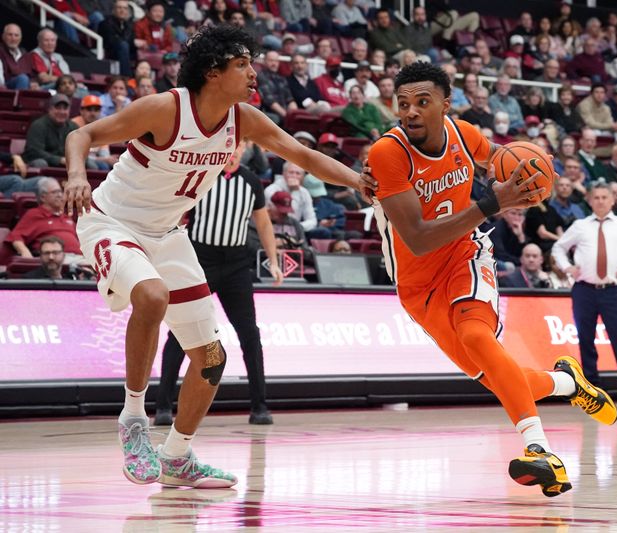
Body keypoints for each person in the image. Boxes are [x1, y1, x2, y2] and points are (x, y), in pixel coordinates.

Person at [62, 24, 366, 489]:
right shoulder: (165, 108)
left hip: (168, 234)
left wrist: (362, 184)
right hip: (111, 222)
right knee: (151, 296)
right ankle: (134, 420)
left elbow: (302, 155)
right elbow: (81, 135)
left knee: (211, 357)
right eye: (242, 64)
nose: (253, 73)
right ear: (212, 71)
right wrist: (77, 176)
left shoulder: (243, 119)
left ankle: (177, 456)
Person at [364, 61, 617, 497]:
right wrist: (490, 203)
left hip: (465, 254)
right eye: (402, 103)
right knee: (495, 376)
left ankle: (540, 451)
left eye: (422, 102)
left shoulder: (464, 134)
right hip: (416, 283)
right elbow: (420, 240)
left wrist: (534, 168)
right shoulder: (388, 154)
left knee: (478, 337)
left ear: (446, 104)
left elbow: (502, 160)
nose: (410, 112)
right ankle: (567, 383)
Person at [156, 141, 283, 427]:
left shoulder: (251, 182)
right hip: (199, 260)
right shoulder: (202, 175)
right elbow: (177, 212)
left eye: (240, 146)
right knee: (179, 333)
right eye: (231, 145)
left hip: (237, 264)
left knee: (249, 334)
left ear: (245, 149)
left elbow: (263, 223)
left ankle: (259, 406)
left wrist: (273, 261)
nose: (234, 150)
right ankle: (163, 406)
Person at [552, 182, 617, 404]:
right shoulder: (580, 225)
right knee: (585, 338)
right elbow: (558, 247)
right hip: (584, 289)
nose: (600, 201)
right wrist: (567, 267)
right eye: (595, 197)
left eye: (604, 197)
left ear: (612, 200)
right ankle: (591, 386)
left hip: (612, 290)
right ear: (589, 200)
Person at [6, 177, 82, 258]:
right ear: (43, 197)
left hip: (80, 259)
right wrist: (25, 252)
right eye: (55, 192)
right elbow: (16, 237)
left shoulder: (66, 217)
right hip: (54, 259)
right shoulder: (34, 214)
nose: (60, 195)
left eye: (60, 191)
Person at [23, 94, 78, 168]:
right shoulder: (38, 125)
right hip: (39, 161)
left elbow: (80, 150)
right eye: (58, 108)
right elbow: (35, 152)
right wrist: (59, 160)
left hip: (65, 162)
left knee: (90, 163)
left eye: (65, 108)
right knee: (41, 163)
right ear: (49, 109)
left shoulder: (73, 127)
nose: (62, 112)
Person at [99, 0, 136, 77]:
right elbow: (111, 41)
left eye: (125, 8)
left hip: (127, 52)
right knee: (123, 45)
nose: (122, 10)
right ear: (114, 10)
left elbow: (131, 41)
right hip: (111, 52)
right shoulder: (106, 23)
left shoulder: (129, 25)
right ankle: (126, 77)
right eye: (119, 8)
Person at [0, 24, 32, 90]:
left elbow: (31, 75)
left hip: (26, 85)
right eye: (10, 35)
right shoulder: (1, 51)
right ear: (3, 36)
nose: (13, 38)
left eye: (16, 35)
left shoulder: (25, 54)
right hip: (6, 87)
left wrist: (33, 83)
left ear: (20, 38)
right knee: (23, 79)